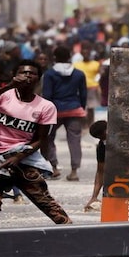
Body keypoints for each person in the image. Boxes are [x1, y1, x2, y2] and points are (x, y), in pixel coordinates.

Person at [0, 59, 71, 227]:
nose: (27, 76)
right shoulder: (0, 94)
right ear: (14, 76)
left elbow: (40, 139)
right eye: (23, 72)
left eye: (32, 73)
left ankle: (73, 236)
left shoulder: (45, 107)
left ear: (38, 79)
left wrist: (18, 157)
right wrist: (9, 86)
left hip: (22, 159)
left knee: (46, 202)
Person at [42, 47, 88, 182]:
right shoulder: (79, 74)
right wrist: (81, 108)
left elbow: (47, 95)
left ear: (54, 58)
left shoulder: (50, 74)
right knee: (74, 140)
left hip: (54, 110)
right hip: (74, 109)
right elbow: (83, 94)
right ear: (69, 57)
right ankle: (74, 171)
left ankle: (54, 166)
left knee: (48, 138)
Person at [85, 120, 106, 211]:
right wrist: (94, 196)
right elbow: (100, 171)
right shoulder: (102, 146)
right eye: (102, 138)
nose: (104, 140)